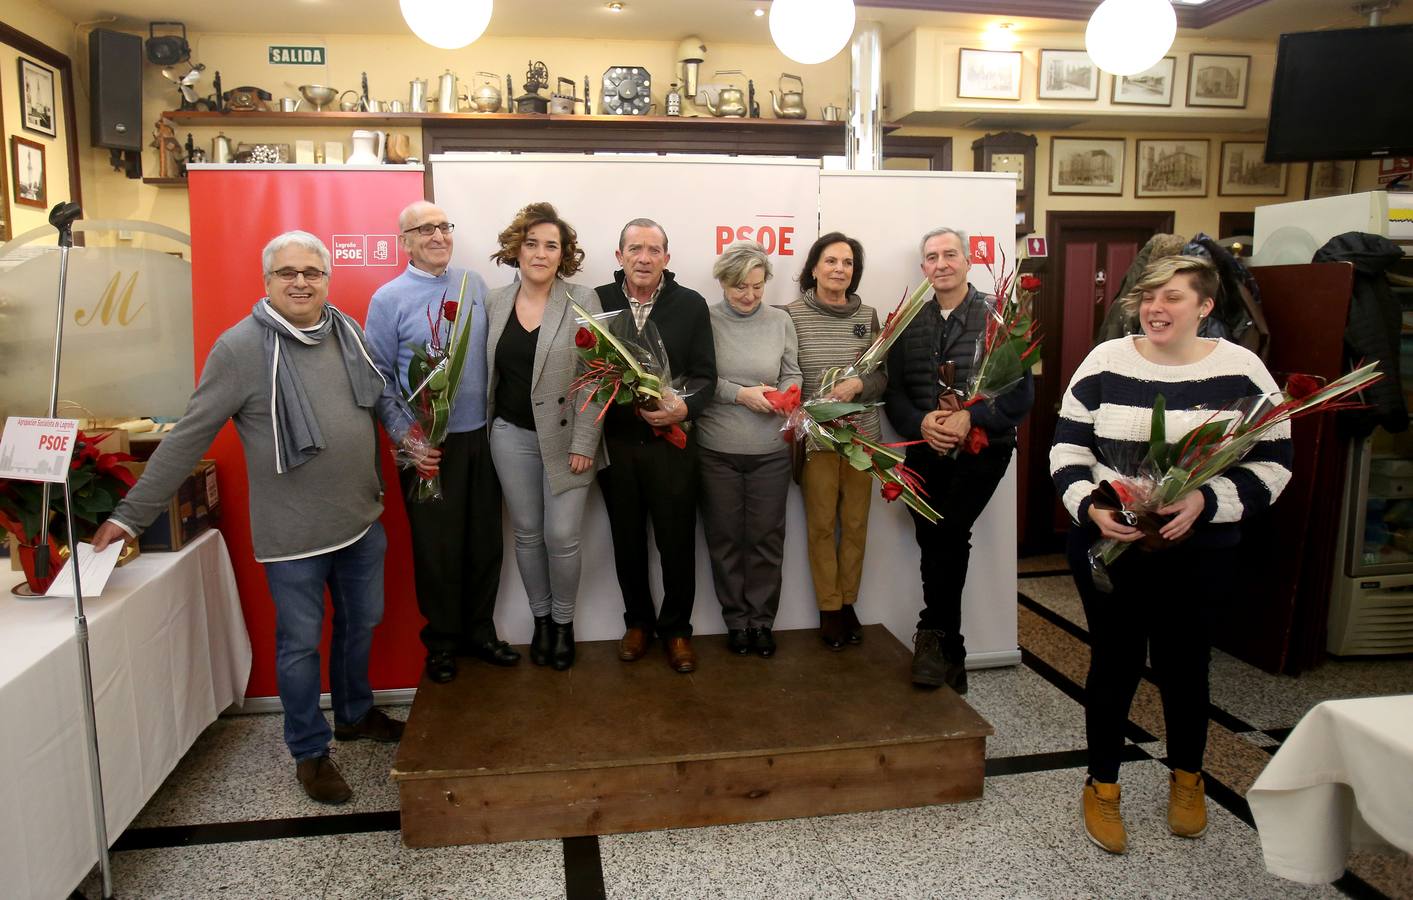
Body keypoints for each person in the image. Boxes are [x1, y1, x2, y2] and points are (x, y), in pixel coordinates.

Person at [92, 231, 435, 805]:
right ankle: (309, 750)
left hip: (359, 521)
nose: (301, 282)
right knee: (300, 646)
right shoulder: (240, 348)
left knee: (362, 623)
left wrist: (410, 441)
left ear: (326, 278)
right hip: (292, 535)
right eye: (286, 273)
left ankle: (353, 714)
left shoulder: (346, 329)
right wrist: (129, 517)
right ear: (267, 281)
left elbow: (379, 399)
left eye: (311, 272)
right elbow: (187, 438)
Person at [1049, 255, 1292, 855]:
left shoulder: (1244, 370)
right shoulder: (1105, 361)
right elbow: (1066, 450)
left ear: (1205, 307)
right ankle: (1102, 785)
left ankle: (1188, 778)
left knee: (1186, 667)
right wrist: (1090, 508)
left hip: (1201, 550)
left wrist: (1206, 501)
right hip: (1112, 544)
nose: (1155, 307)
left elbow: (1275, 463)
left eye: (1173, 297)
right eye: (1148, 296)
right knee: (1114, 663)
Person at [365, 200, 518, 685]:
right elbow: (378, 379)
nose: (438, 236)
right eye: (424, 229)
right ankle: (444, 642)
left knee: (485, 542)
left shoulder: (474, 286)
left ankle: (480, 631)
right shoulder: (387, 299)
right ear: (404, 242)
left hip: (481, 439)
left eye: (444, 227)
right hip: (424, 447)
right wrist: (408, 439)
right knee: (437, 548)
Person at [884, 226, 1035, 693]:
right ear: (923, 268)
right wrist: (920, 423)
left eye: (950, 254)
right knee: (932, 533)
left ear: (969, 261)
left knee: (949, 530)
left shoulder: (1000, 315)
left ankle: (936, 635)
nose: (941, 264)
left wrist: (974, 419)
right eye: (931, 257)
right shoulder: (907, 321)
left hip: (984, 448)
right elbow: (895, 393)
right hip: (924, 446)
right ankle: (950, 649)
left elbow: (1021, 395)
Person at [484, 202, 605, 671]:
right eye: (531, 244)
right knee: (529, 535)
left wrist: (584, 443)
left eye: (550, 245)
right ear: (517, 249)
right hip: (509, 436)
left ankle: (564, 623)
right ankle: (539, 622)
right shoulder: (495, 301)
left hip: (568, 439)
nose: (539, 253)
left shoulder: (583, 300)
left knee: (563, 536)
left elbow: (597, 376)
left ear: (563, 254)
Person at [594, 218, 717, 673]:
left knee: (677, 542)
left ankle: (678, 631)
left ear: (667, 257)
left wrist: (683, 409)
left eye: (653, 250)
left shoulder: (691, 304)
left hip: (673, 444)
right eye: (634, 249)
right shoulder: (597, 302)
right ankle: (638, 623)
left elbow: (707, 376)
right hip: (618, 444)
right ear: (619, 255)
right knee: (626, 540)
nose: (643, 258)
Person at [697, 240, 801, 658]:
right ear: (722, 282)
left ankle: (762, 622)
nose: (750, 295)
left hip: (770, 451)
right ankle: (735, 622)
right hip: (716, 449)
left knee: (766, 539)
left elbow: (792, 370)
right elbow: (697, 379)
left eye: (758, 287)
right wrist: (741, 395)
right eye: (741, 286)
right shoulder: (703, 320)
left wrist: (789, 393)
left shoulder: (780, 321)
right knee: (724, 539)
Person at [784, 232, 884, 651]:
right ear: (813, 267)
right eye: (830, 261)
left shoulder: (871, 315)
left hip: (863, 438)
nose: (839, 269)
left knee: (857, 525)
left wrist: (860, 383)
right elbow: (786, 374)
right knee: (822, 525)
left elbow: (883, 377)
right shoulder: (790, 314)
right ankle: (829, 608)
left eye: (847, 263)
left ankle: (848, 602)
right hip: (817, 440)